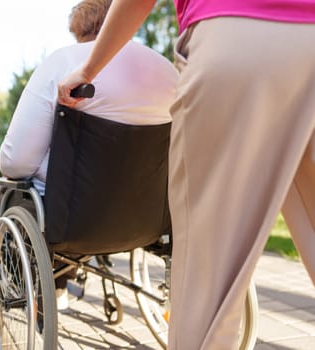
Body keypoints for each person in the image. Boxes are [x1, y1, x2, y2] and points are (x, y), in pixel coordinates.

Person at [58, 1, 315, 349]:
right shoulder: (156, 69)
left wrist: (88, 70)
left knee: (207, 274)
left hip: (238, 37)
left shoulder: (65, 62)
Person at [0, 0, 178, 310]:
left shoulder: (64, 62)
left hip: (71, 219)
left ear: (79, 29)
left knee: (12, 189)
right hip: (150, 220)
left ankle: (51, 284)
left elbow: (16, 162)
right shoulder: (167, 70)